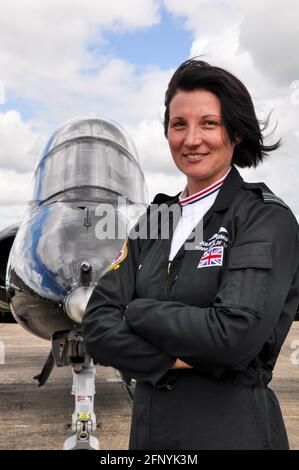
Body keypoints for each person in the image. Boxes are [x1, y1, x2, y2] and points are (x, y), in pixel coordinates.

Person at [82, 59, 299, 450]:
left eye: (209, 124)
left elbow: (234, 337)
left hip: (232, 434)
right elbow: (97, 326)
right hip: (150, 438)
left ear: (235, 132)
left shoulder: (264, 217)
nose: (191, 139)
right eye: (179, 124)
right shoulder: (156, 220)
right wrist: (168, 361)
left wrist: (137, 312)